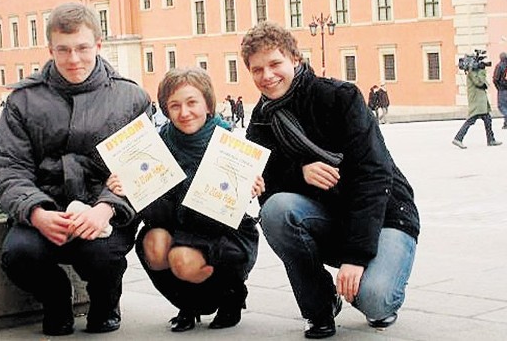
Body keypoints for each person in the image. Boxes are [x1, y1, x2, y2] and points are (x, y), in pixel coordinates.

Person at [241, 21, 420, 339]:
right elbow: (268, 185)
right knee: (276, 211)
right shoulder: (261, 121)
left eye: (275, 64)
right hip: (329, 218)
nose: (267, 76)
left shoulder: (339, 97)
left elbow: (374, 175)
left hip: (386, 216)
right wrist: (295, 174)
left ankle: (376, 280)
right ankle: (320, 306)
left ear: (295, 59)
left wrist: (355, 258)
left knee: (375, 302)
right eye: (257, 70)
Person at [0, 2, 151, 336]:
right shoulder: (23, 100)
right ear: (50, 49)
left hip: (103, 210)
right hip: (46, 208)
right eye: (63, 50)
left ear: (98, 46)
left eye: (82, 48)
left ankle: (105, 303)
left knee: (102, 254)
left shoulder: (130, 97)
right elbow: (7, 167)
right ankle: (56, 299)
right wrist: (36, 212)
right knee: (18, 255)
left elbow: (142, 167)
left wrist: (105, 209)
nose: (73, 59)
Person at [106, 67, 262, 332]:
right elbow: (153, 213)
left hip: (220, 232)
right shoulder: (154, 144)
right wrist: (127, 186)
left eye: (192, 103)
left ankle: (230, 297)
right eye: (174, 105)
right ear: (166, 110)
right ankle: (188, 304)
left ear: (208, 104)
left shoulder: (228, 144)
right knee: (154, 245)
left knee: (182, 259)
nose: (184, 112)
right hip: (174, 223)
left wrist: (250, 187)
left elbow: (228, 209)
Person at [452, 63, 502, 149]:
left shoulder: (474, 72)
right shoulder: (472, 73)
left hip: (480, 102)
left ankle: (491, 139)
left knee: (488, 120)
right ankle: (458, 138)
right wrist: (482, 71)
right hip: (477, 102)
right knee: (470, 120)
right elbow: (480, 82)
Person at [492, 52, 507, 129]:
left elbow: (495, 79)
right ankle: (506, 124)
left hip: (502, 90)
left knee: (501, 106)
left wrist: (498, 87)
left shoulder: (499, 66)